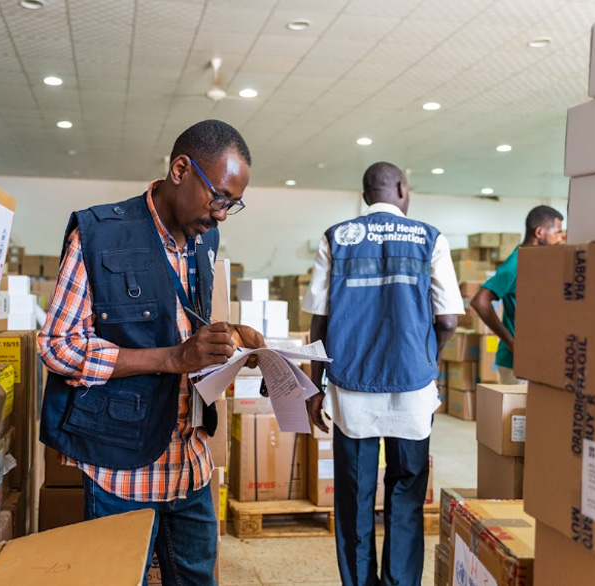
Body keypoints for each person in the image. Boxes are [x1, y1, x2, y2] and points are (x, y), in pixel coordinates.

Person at [38, 120, 264, 586]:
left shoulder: (205, 239)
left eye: (232, 204)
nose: (222, 214)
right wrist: (173, 359)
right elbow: (58, 346)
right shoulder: (98, 233)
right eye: (218, 197)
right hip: (121, 464)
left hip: (191, 460)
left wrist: (231, 337)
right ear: (181, 169)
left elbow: (177, 317)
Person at [303, 161, 463, 586]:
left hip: (351, 388)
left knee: (355, 495)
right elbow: (447, 320)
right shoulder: (431, 238)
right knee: (406, 493)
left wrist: (315, 386)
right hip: (412, 389)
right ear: (400, 188)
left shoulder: (336, 238)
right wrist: (427, 356)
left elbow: (318, 321)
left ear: (365, 193)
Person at [470, 205, 564, 384]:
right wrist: (511, 342)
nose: (560, 239)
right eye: (557, 232)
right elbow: (480, 301)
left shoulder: (537, 261)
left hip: (537, 359)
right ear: (539, 232)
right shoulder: (517, 263)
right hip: (516, 364)